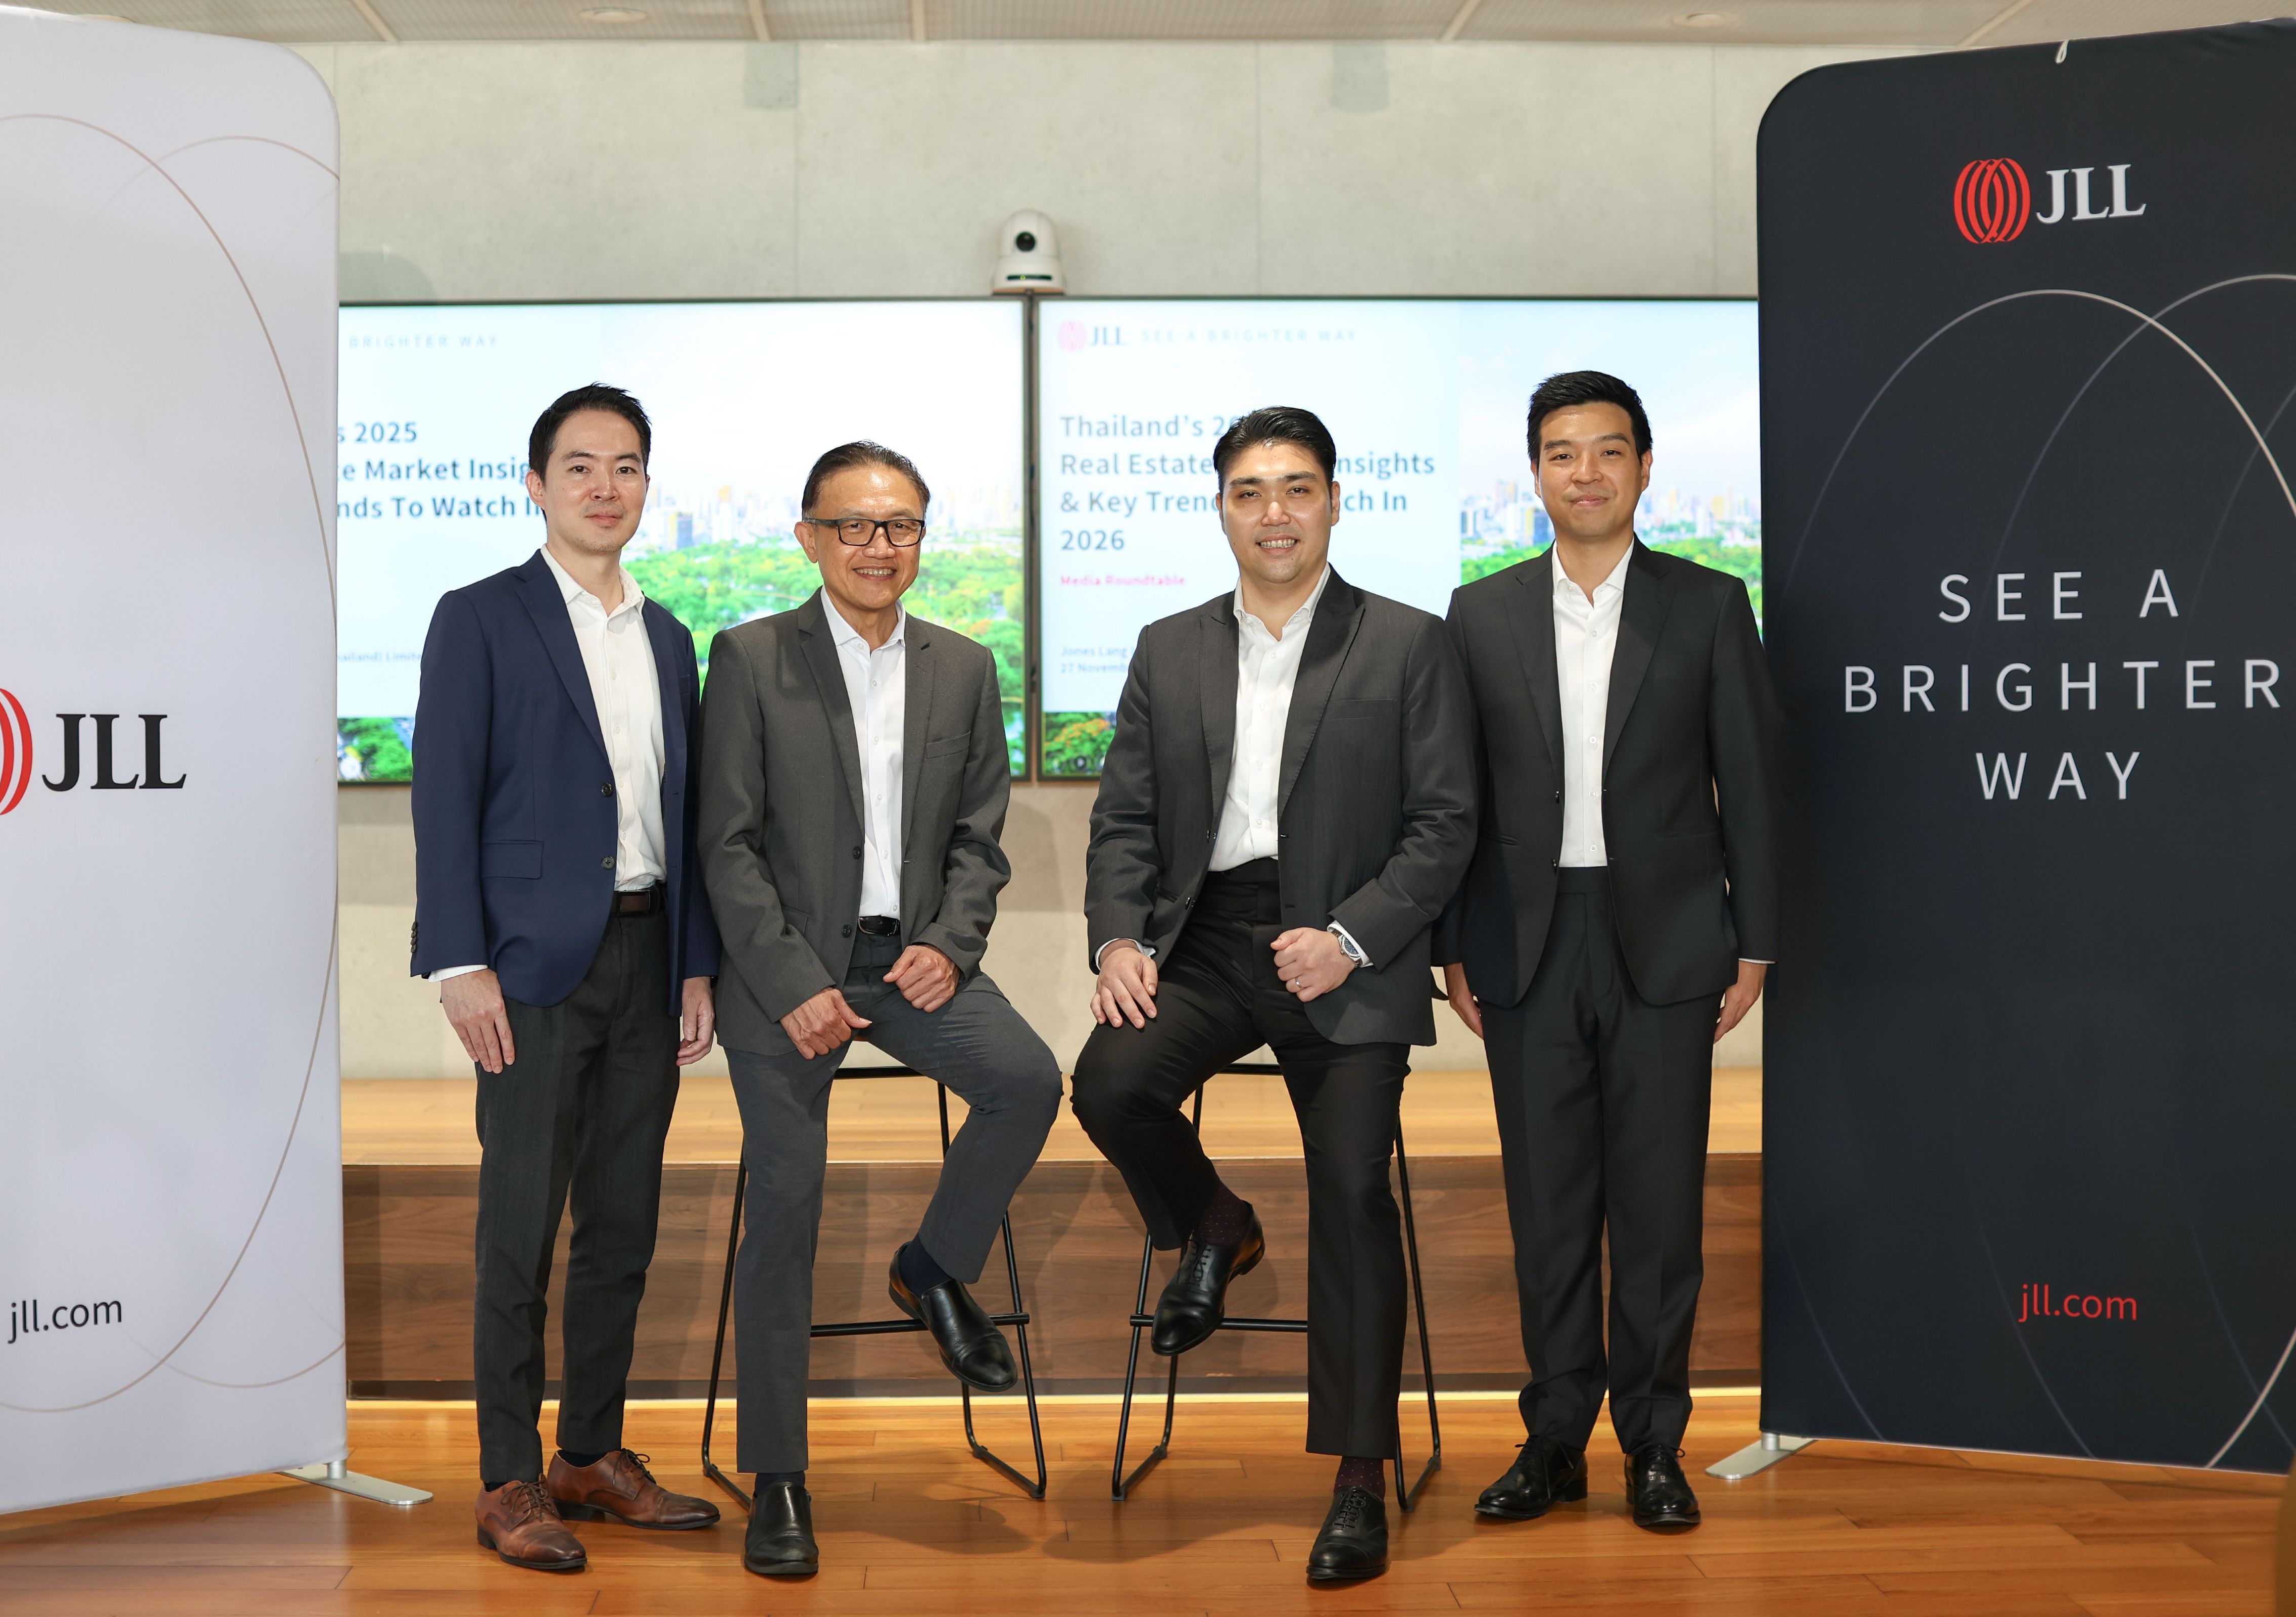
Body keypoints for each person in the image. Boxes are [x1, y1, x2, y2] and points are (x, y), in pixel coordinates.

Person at [1070, 406, 1476, 1584]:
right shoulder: (1169, 646)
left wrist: (1350, 937)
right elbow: (1126, 818)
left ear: (1337, 502)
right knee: (1109, 1084)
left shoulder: (1408, 642)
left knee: (1351, 1188)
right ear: (1221, 510)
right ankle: (1216, 1223)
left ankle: (1357, 1476)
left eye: (1297, 488)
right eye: (1249, 492)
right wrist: (1117, 940)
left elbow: (1446, 822)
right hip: (1206, 940)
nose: (1274, 512)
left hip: (1348, 948)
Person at [697, 441, 1063, 1580]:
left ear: (921, 537)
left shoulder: (965, 665)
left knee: (1029, 1082)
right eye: (853, 525)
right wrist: (793, 983)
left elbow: (979, 842)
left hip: (911, 964)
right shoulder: (750, 657)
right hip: (788, 974)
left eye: (899, 524)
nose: (877, 546)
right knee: (787, 1201)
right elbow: (727, 844)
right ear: (809, 536)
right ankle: (780, 1477)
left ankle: (933, 1267)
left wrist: (950, 947)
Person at [1441, 370, 1780, 1533]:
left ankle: (1653, 1442)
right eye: (1562, 452)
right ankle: (1552, 1438)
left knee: (1659, 1208)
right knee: (1546, 1207)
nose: (1585, 472)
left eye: (1607, 450)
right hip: (1523, 941)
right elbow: (1453, 798)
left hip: (1671, 940)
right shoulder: (1479, 613)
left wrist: (1756, 941)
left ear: (1643, 466)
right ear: (1535, 473)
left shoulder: (1709, 603)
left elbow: (1753, 785)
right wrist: (1453, 944)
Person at [411, 384, 725, 1573]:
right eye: (582, 465)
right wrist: (459, 959)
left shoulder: (670, 636)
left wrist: (696, 965)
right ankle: (507, 1475)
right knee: (519, 1226)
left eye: (627, 466)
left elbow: (687, 817)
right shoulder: (479, 617)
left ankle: (588, 1452)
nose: (606, 486)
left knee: (622, 1223)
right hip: (529, 972)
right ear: (536, 484)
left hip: (649, 958)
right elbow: (443, 796)